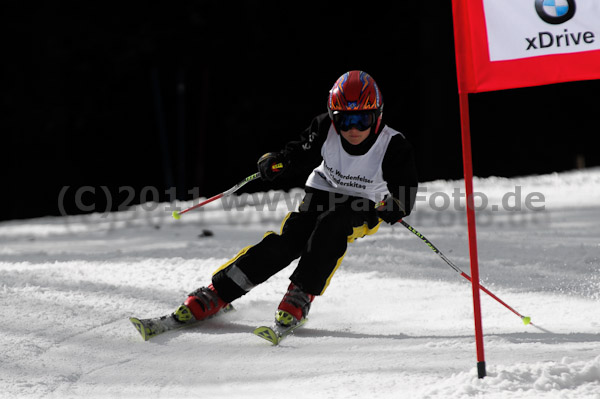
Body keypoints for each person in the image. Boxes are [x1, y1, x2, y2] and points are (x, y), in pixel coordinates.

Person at [162, 71, 418, 332]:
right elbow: (298, 153)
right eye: (345, 120)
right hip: (322, 190)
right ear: (333, 118)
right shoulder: (324, 128)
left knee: (332, 225)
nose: (353, 129)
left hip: (364, 202)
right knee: (287, 243)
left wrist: (396, 205)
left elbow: (405, 191)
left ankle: (301, 294)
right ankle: (219, 292)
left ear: (378, 116)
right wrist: (277, 161)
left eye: (362, 120)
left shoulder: (393, 145)